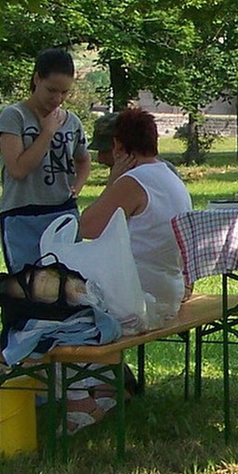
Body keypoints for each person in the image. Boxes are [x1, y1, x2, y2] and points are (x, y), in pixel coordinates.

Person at [79, 107, 192, 323]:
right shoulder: (167, 173)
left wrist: (112, 181)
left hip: (141, 295)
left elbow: (87, 228)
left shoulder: (134, 181)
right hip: (168, 288)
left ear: (118, 146)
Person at [0, 48, 91, 271]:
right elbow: (17, 169)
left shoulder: (72, 121)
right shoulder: (14, 116)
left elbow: (83, 160)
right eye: (51, 90)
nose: (57, 99)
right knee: (29, 287)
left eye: (64, 92)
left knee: (68, 285)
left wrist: (77, 187)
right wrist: (46, 133)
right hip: (22, 215)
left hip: (62, 212)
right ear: (37, 79)